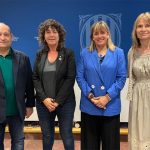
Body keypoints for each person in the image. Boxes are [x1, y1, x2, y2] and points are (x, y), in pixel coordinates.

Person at [76, 21, 127, 150]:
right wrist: (91, 96)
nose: (100, 36)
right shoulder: (84, 53)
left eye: (102, 33)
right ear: (92, 37)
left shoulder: (118, 53)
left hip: (110, 106)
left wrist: (107, 97)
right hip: (89, 105)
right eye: (96, 33)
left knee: (111, 145)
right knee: (89, 146)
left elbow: (121, 78)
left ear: (108, 34)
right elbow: (80, 77)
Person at [33, 19, 76, 150]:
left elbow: (70, 78)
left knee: (66, 134)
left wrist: (57, 102)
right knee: (47, 135)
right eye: (48, 32)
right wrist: (44, 99)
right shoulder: (39, 55)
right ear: (43, 36)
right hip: (43, 104)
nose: (51, 35)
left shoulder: (68, 53)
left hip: (65, 103)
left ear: (60, 35)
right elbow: (35, 78)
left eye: (54, 31)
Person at [0, 23, 35, 150]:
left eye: (6, 34)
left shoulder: (23, 58)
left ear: (11, 37)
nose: (2, 38)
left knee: (18, 142)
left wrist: (30, 104)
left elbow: (29, 84)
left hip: (17, 110)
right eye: (0, 34)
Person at [127, 12, 150, 150]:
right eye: (139, 26)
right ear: (135, 30)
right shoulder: (132, 51)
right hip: (138, 98)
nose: (143, 29)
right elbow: (132, 77)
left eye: (147, 25)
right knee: (139, 132)